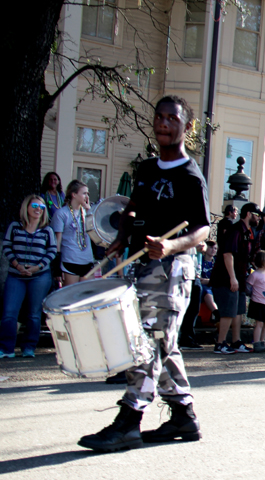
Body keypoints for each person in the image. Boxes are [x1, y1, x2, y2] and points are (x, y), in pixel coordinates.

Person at [78, 95, 212, 452]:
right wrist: (121, 235)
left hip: (171, 269)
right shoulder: (148, 169)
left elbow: (202, 230)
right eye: (159, 117)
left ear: (187, 127)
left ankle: (129, 421)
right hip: (142, 264)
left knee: (149, 343)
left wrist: (170, 247)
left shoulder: (189, 176)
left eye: (173, 118)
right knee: (162, 343)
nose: (164, 123)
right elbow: (133, 209)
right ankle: (183, 415)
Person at [1, 196, 57, 358]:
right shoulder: (15, 227)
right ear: (26, 207)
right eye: (34, 205)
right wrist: (18, 266)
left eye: (42, 207)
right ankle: (6, 348)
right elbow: (7, 246)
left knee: (34, 314)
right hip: (16, 275)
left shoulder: (47, 230)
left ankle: (29, 347)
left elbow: (52, 251)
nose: (38, 209)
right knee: (9, 312)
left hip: (39, 276)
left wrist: (36, 267)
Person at [210, 202, 262, 354]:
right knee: (228, 311)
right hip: (226, 277)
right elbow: (227, 254)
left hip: (239, 276)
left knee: (238, 310)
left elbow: (246, 255)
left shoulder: (248, 231)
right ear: (248, 214)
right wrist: (232, 278)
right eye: (256, 215)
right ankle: (220, 343)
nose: (258, 218)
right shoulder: (236, 230)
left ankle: (236, 341)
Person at [51, 180, 95, 286]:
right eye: (84, 193)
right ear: (74, 194)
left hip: (87, 261)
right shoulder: (61, 213)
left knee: (86, 298)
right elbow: (58, 240)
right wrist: (56, 265)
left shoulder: (88, 212)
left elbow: (96, 233)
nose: (87, 196)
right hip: (70, 261)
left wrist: (89, 211)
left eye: (87, 193)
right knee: (71, 299)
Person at [246, 250, 265, 353]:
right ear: (262, 261)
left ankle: (262, 341)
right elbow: (248, 287)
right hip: (258, 302)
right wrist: (252, 295)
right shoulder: (255, 274)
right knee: (259, 323)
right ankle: (256, 343)